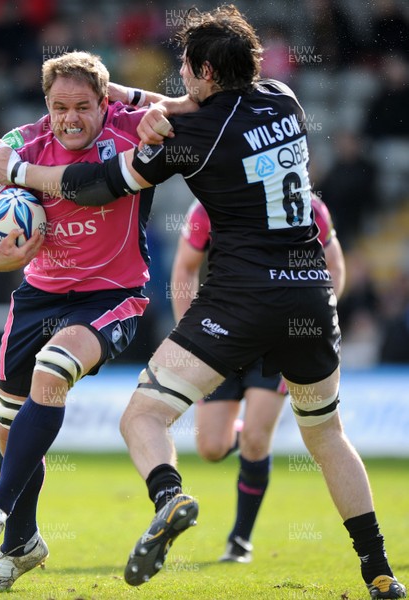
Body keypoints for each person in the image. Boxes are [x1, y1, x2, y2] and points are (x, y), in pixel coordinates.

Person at [0, 7, 406, 598]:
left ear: (203, 70)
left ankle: (169, 495)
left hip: (240, 298)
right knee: (327, 435)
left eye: (185, 68)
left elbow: (97, 184)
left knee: (143, 416)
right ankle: (378, 570)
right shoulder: (284, 99)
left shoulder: (191, 136)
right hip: (309, 296)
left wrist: (17, 168)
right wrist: (131, 97)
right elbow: (203, 105)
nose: (179, 79)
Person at [0, 50, 193, 592]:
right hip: (38, 294)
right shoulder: (22, 142)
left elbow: (185, 110)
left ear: (104, 102)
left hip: (111, 295)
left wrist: (137, 99)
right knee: (8, 429)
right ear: (46, 105)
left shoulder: (132, 128)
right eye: (59, 107)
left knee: (54, 366)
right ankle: (21, 544)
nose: (70, 118)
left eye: (83, 106)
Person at [171, 193, 345, 564]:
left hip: (279, 339)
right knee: (211, 448)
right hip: (223, 335)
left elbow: (334, 264)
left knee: (256, 437)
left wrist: (316, 320)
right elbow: (184, 267)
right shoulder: (208, 207)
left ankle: (240, 540)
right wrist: (188, 335)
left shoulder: (308, 207)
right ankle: (244, 434)